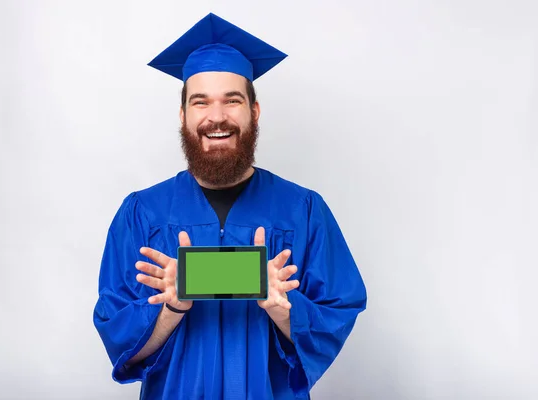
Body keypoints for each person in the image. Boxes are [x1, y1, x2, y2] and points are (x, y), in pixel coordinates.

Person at [93, 13, 367, 400]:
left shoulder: (303, 211)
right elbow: (120, 342)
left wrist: (282, 307)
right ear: (183, 115)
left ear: (254, 112)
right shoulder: (141, 214)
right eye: (200, 102)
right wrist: (171, 308)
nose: (216, 116)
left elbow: (338, 313)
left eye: (232, 100)